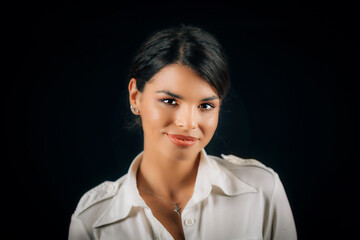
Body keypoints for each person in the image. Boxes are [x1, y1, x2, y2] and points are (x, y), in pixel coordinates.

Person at [68, 25, 297, 240]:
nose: (188, 123)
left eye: (205, 106)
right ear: (135, 97)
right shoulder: (93, 220)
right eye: (169, 101)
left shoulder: (262, 191)